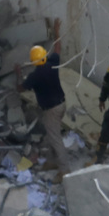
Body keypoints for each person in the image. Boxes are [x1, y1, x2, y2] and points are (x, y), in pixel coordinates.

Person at [19, 42, 72, 176]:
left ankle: (65, 171)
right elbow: (57, 48)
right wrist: (57, 32)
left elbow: (20, 88)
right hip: (61, 105)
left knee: (55, 139)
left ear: (33, 61)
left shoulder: (35, 76)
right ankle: (51, 161)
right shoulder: (52, 63)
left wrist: (18, 73)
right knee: (51, 135)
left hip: (51, 110)